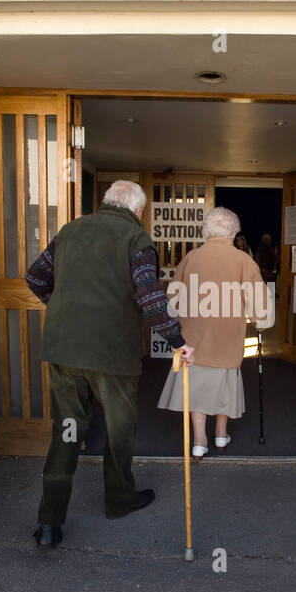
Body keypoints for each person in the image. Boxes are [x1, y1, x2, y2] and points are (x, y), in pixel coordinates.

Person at [24, 180, 195, 548]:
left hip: (62, 350)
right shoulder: (137, 240)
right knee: (119, 428)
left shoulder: (70, 231)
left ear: (106, 203)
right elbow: (151, 299)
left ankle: (49, 521)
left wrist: (62, 307)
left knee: (66, 430)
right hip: (111, 354)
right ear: (137, 211)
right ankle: (118, 500)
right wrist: (179, 342)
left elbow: (35, 277)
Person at [157, 207, 272, 460]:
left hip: (194, 336)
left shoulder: (191, 258)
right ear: (233, 231)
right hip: (227, 337)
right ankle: (221, 434)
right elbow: (260, 302)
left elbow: (173, 299)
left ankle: (199, 441)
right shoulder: (243, 260)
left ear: (207, 230)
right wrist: (262, 323)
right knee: (224, 386)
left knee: (196, 387)